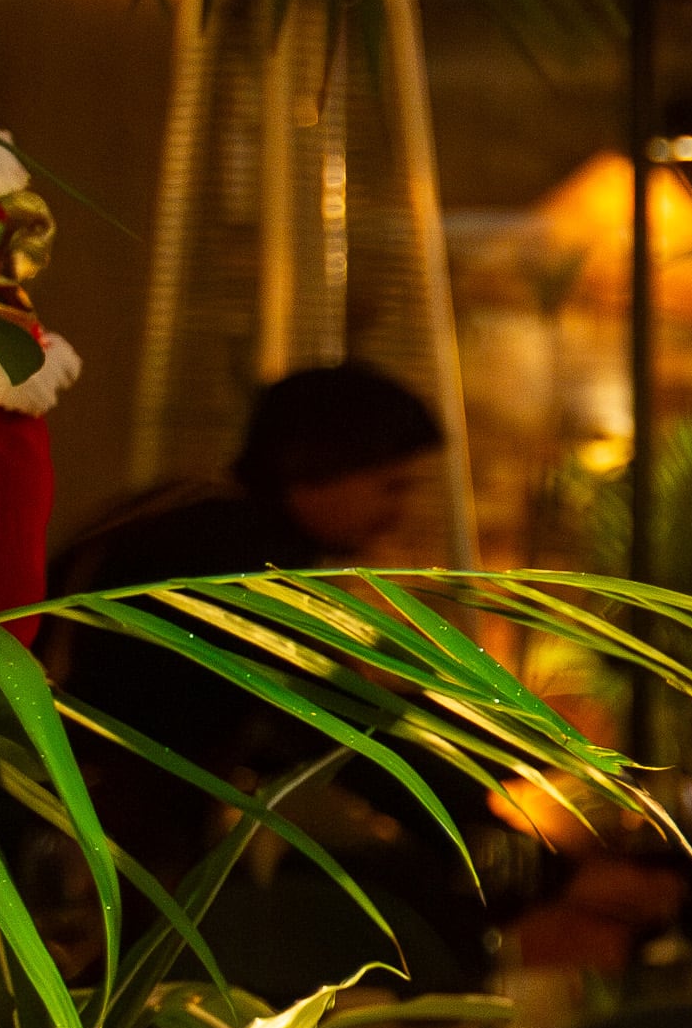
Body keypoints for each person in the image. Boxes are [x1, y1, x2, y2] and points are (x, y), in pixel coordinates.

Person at [59, 359, 454, 870]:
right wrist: (494, 819)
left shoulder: (204, 514)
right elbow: (330, 717)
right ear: (318, 466)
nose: (401, 512)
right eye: (391, 487)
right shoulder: (230, 556)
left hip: (102, 805)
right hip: (86, 822)